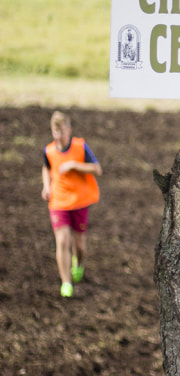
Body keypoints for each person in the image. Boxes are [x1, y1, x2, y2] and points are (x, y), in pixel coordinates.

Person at [41, 111, 102, 298]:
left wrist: (74, 165)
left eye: (62, 132)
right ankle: (66, 282)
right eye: (55, 132)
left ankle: (78, 263)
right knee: (62, 240)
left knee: (79, 245)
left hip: (80, 201)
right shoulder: (49, 150)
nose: (58, 136)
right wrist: (46, 186)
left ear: (69, 129)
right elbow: (46, 167)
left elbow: (97, 169)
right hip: (59, 201)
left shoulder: (80, 147)